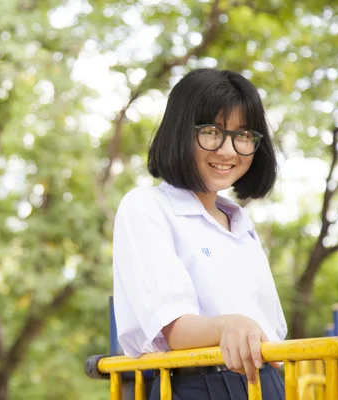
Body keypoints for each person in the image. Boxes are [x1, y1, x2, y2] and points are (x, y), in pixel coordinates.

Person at [112, 68, 287, 400]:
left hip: (270, 383)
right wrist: (228, 326)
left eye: (244, 135)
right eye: (211, 132)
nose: (228, 151)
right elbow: (173, 328)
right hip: (197, 384)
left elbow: (271, 329)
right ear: (179, 132)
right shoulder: (146, 207)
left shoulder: (241, 221)